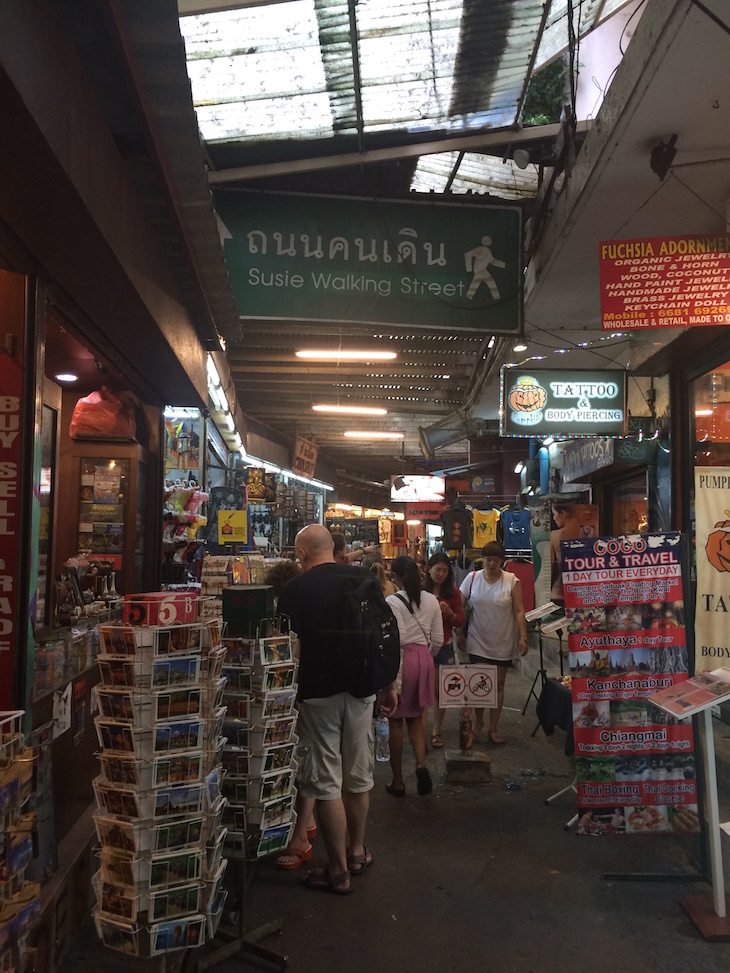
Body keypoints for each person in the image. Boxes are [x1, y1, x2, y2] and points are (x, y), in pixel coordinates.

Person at [277, 524, 397, 894]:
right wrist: (387, 686)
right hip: (362, 692)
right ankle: (357, 851)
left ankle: (339, 870)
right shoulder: (364, 578)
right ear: (333, 548)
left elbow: (289, 649)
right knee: (358, 777)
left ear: (301, 553)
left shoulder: (296, 589)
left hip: (317, 696)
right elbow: (383, 635)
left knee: (325, 781)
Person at [458, 541, 528, 745]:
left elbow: (519, 610)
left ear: (502, 562)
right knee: (480, 684)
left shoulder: (511, 581)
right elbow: (459, 605)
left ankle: (493, 727)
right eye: (488, 559)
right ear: (483, 559)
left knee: (498, 685)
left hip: (503, 640)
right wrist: (459, 631)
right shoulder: (472, 579)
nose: (491, 564)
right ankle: (478, 722)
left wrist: (523, 636)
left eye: (495, 560)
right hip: (477, 639)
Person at [385, 555, 444, 797]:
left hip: (402, 660)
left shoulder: (392, 601)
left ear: (396, 576)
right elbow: (438, 639)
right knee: (417, 718)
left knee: (396, 721)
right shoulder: (431, 600)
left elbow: (397, 636)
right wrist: (426, 655)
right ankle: (421, 764)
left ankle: (398, 781)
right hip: (424, 659)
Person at [423, 552, 463, 749]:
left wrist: (449, 614)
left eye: (445, 570)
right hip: (421, 647)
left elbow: (459, 621)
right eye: (437, 569)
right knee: (422, 690)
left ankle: (436, 730)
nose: (441, 574)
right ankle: (420, 729)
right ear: (428, 569)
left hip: (444, 646)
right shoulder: (420, 592)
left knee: (441, 691)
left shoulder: (454, 593)